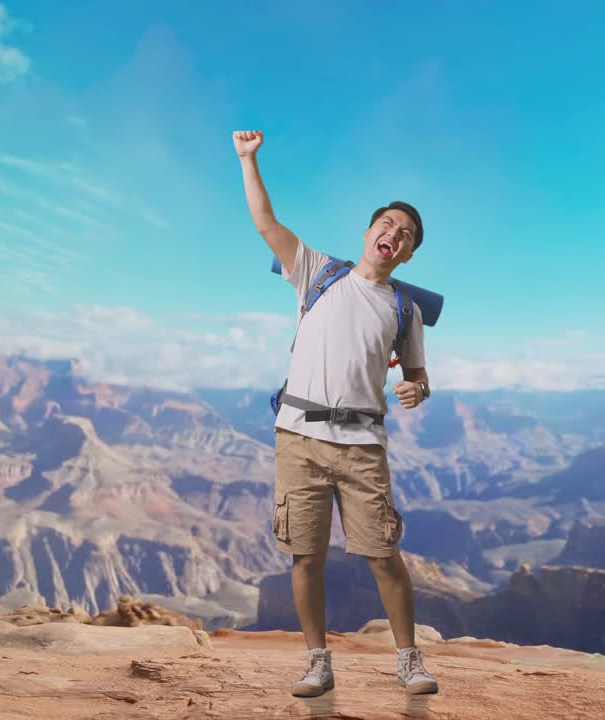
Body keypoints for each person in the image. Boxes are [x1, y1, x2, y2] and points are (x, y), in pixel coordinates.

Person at [233, 129, 439, 697]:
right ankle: (317, 662)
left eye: (405, 235)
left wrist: (417, 391)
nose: (392, 235)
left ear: (410, 252)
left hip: (362, 445)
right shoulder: (317, 272)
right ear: (370, 230)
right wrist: (249, 161)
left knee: (384, 556)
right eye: (387, 225)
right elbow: (265, 223)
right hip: (298, 438)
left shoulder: (406, 308)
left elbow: (417, 377)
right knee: (305, 557)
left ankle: (409, 660)